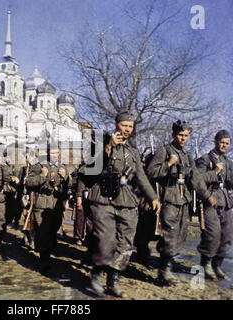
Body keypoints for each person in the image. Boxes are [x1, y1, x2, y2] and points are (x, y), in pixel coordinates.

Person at [78, 110, 161, 298]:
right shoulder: (98, 144)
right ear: (116, 125)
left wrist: (152, 197)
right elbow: (90, 171)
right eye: (124, 125)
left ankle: (113, 279)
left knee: (125, 242)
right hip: (102, 198)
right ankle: (97, 275)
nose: (127, 129)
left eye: (130, 126)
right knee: (105, 240)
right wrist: (108, 147)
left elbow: (141, 177)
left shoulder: (132, 152)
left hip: (126, 199)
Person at [147, 120, 217, 285]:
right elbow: (151, 172)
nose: (183, 138)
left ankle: (166, 267)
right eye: (180, 135)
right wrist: (168, 164)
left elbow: (197, 180)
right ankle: (164, 271)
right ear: (173, 135)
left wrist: (207, 195)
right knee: (170, 235)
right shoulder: (163, 151)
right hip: (168, 199)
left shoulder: (187, 156)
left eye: (186, 136)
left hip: (183, 200)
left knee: (180, 235)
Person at [25, 142, 72, 274]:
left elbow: (70, 185)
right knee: (42, 232)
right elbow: (28, 182)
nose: (54, 155)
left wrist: (66, 177)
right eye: (52, 153)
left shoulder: (63, 167)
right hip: (41, 203)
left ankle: (46, 254)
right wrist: (42, 177)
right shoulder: (40, 166)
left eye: (57, 153)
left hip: (56, 204)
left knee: (52, 232)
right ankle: (43, 259)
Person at [195, 129, 233, 280]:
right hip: (209, 200)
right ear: (215, 142)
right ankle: (206, 264)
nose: (224, 146)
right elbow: (197, 180)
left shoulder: (228, 162)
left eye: (227, 144)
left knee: (227, 235)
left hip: (226, 201)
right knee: (212, 234)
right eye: (222, 143)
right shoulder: (205, 160)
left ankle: (217, 265)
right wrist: (214, 173)